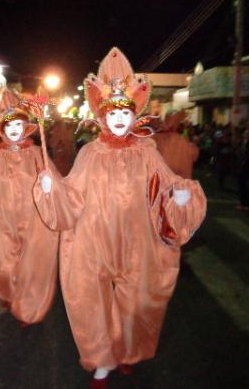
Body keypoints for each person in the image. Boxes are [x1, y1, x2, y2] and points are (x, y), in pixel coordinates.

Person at [34, 48, 206, 388]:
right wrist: (51, 188)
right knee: (91, 302)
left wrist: (180, 196)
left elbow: (167, 186)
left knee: (136, 303)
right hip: (92, 242)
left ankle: (129, 350)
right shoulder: (89, 152)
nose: (118, 118)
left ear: (134, 115)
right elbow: (72, 195)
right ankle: (101, 362)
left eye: (124, 111)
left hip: (138, 243)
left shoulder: (147, 151)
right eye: (111, 111)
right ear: (101, 114)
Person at [0, 90, 60, 326]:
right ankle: (9, 292)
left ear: (26, 127)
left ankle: (28, 306)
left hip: (34, 219)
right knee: (3, 262)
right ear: (2, 130)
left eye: (18, 124)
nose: (14, 129)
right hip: (3, 221)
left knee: (32, 263)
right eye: (9, 125)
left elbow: (57, 188)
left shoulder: (38, 154)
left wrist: (50, 184)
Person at [153, 110, 199, 179]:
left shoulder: (156, 139)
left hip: (163, 180)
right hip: (181, 181)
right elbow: (194, 156)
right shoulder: (184, 142)